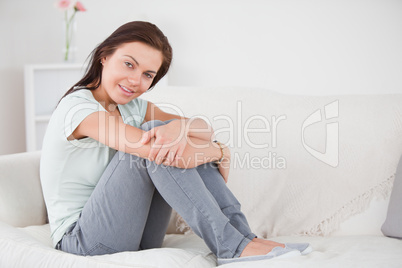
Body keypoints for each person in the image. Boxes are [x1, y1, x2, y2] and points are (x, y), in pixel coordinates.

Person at [40, 21, 311, 265]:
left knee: (169, 133)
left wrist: (181, 126)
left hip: (138, 236)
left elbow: (203, 128)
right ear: (105, 56)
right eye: (128, 64)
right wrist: (218, 150)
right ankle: (231, 245)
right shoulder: (79, 110)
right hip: (85, 242)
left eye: (148, 74)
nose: (135, 80)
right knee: (159, 136)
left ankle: (242, 236)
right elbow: (168, 153)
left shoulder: (135, 107)